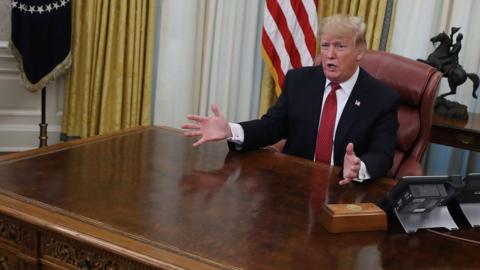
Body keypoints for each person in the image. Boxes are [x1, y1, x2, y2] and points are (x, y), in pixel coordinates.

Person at [182, 14, 400, 184]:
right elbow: (272, 127)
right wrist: (231, 130)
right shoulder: (299, 81)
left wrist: (359, 167)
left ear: (360, 51)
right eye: (325, 45)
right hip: (294, 186)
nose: (329, 54)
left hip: (345, 190)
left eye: (340, 46)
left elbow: (382, 154)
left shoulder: (381, 98)